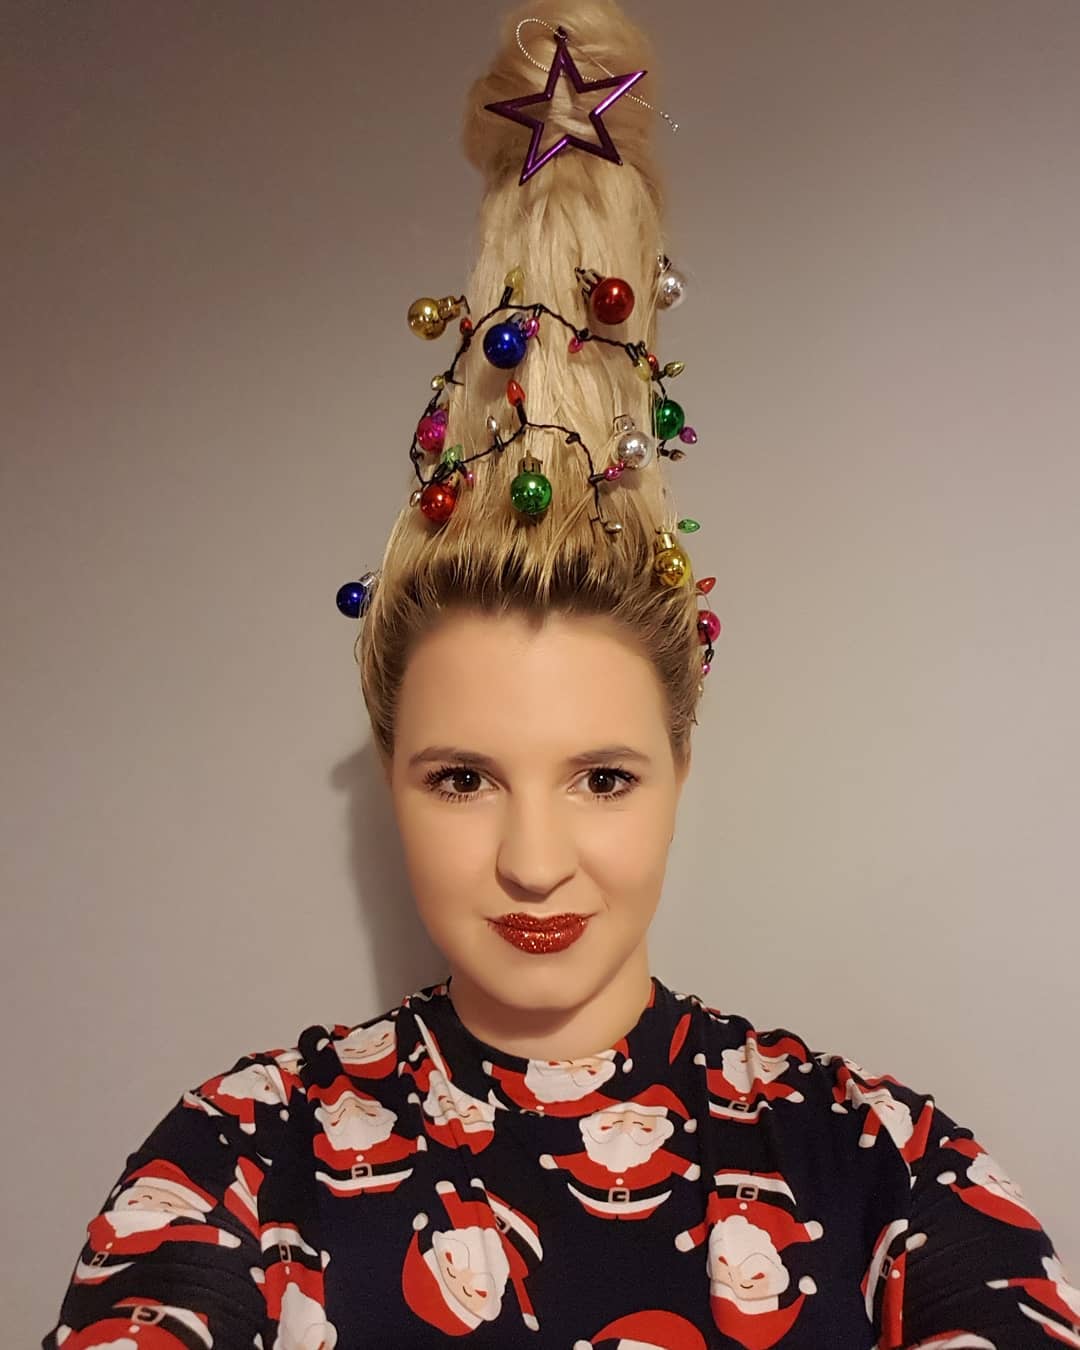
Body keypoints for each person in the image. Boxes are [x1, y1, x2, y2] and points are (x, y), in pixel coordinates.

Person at [44, 2, 1078, 1347]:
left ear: (680, 770)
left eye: (602, 777)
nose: (535, 863)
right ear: (392, 773)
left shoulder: (884, 1171)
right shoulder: (241, 1160)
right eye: (461, 778)